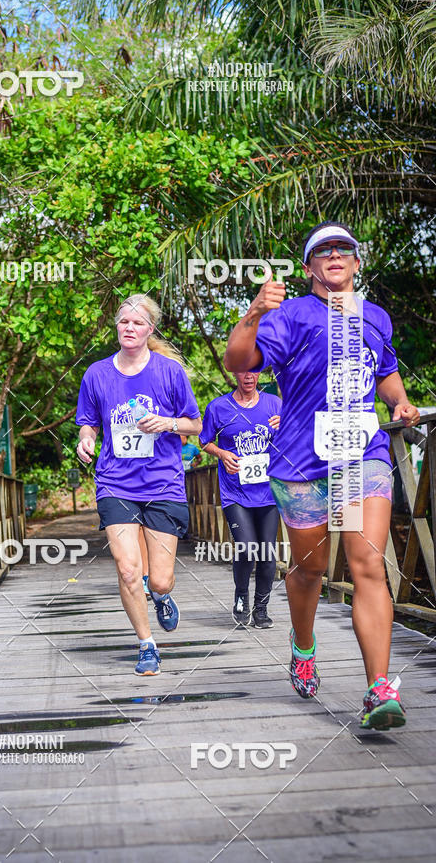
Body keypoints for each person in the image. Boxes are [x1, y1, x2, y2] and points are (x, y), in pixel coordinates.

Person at [223, 220, 420, 730]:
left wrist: (400, 404)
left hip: (362, 455)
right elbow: (238, 360)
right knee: (310, 569)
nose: (335, 256)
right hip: (301, 462)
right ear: (310, 267)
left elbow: (387, 376)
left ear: (357, 263)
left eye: (344, 250)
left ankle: (379, 688)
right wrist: (254, 312)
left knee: (367, 566)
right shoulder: (290, 315)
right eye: (323, 251)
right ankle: (303, 645)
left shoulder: (375, 317)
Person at [76, 294, 202, 676]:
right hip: (116, 483)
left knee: (160, 579)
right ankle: (147, 645)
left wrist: (166, 423)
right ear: (117, 327)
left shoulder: (169, 372)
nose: (129, 328)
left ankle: (161, 596)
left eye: (137, 323)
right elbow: (89, 421)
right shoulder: (97, 374)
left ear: (150, 329)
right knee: (128, 569)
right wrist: (86, 439)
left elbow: (195, 425)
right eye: (124, 322)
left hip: (163, 483)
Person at [200, 372, 282, 628]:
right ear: (235, 373)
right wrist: (222, 453)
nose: (249, 376)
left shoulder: (275, 404)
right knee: (247, 547)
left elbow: (292, 439)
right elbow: (204, 441)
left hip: (268, 492)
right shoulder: (218, 407)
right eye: (244, 370)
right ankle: (241, 597)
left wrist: (286, 426)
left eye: (254, 370)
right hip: (235, 492)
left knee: (267, 553)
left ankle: (261, 608)